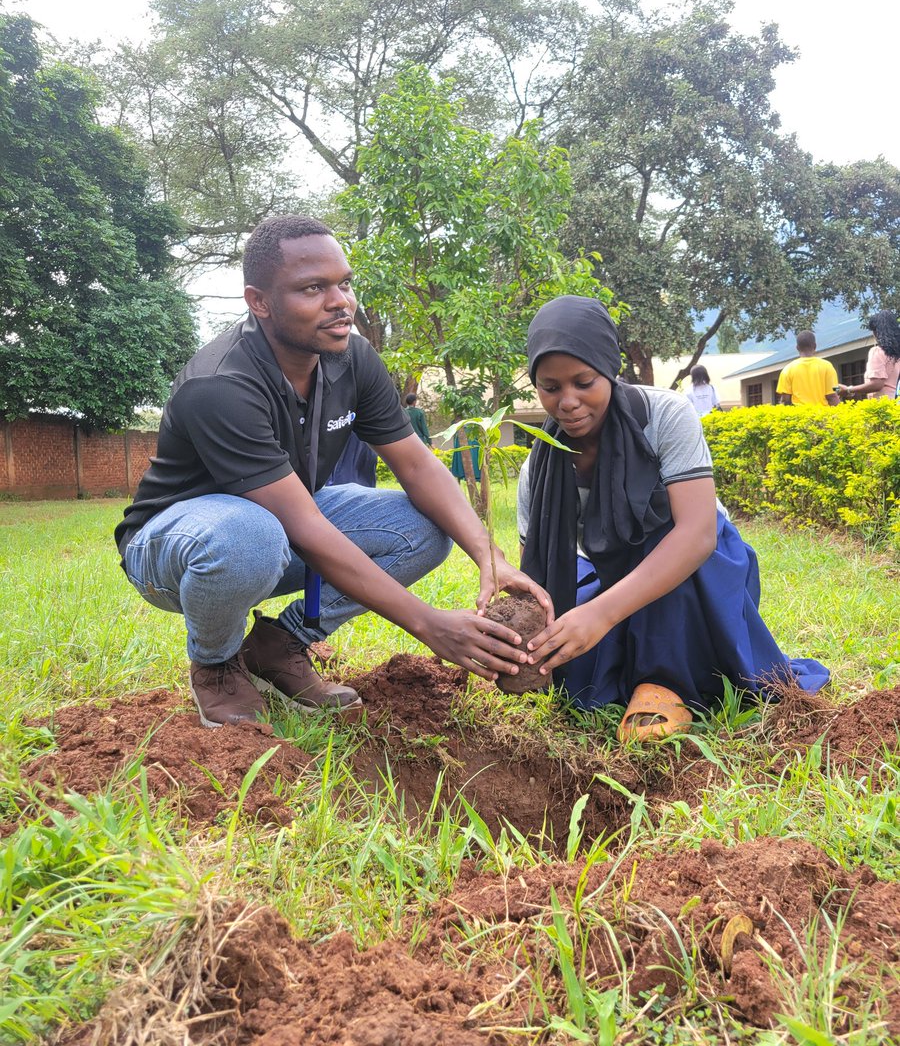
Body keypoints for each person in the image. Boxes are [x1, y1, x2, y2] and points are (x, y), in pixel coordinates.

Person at [115, 215, 550, 730]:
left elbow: (415, 462)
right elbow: (305, 528)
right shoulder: (221, 385)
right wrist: (427, 624)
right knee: (246, 535)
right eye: (313, 288)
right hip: (178, 545)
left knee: (425, 526)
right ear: (260, 302)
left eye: (344, 283)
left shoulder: (349, 355)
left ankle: (280, 644)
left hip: (279, 523)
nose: (340, 300)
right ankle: (216, 664)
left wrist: (489, 555)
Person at [516, 296, 829, 743]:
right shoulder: (539, 468)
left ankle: (665, 685)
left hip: (698, 571)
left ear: (608, 368)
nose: (568, 402)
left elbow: (697, 534)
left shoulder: (664, 416)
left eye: (583, 382)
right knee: (579, 679)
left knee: (660, 529)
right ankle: (631, 669)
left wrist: (601, 615)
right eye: (550, 388)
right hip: (616, 574)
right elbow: (541, 572)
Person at [835, 311, 900, 401]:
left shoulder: (877, 352)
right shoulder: (896, 354)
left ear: (876, 332)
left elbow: (877, 384)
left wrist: (848, 390)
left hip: (883, 406)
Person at [776, 331, 840, 407]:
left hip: (799, 416)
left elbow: (785, 400)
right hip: (822, 415)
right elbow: (833, 395)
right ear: (815, 346)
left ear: (797, 348)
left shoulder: (788, 369)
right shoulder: (827, 366)